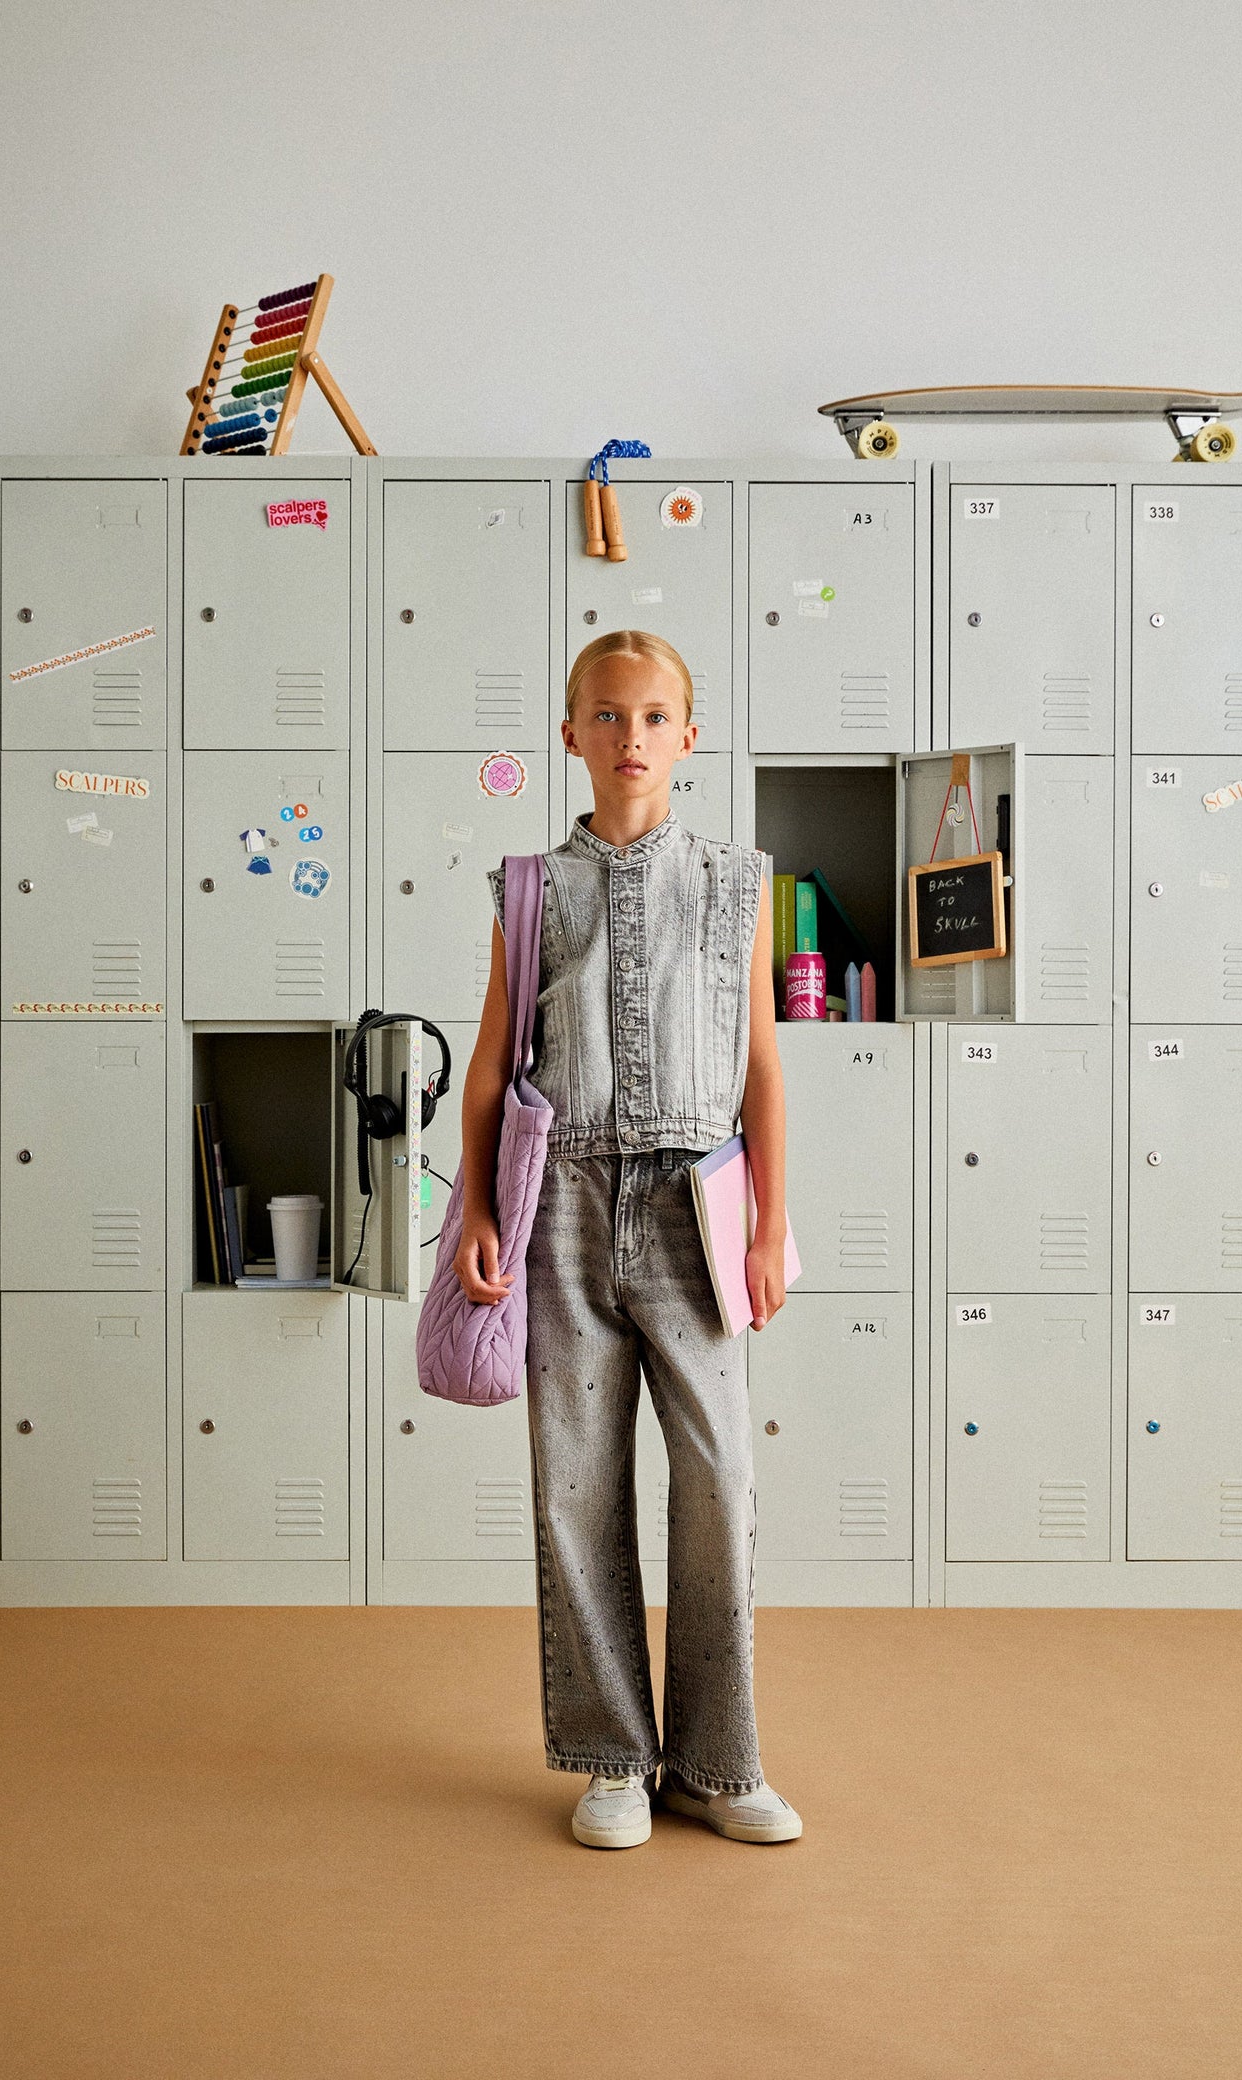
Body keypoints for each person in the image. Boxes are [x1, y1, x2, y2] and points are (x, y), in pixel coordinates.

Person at [454, 627, 802, 1850]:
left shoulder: (735, 883)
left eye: (653, 717)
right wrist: (479, 1212)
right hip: (561, 1207)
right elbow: (490, 1068)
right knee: (575, 1484)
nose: (629, 738)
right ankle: (611, 1757)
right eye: (605, 716)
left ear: (687, 736)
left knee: (717, 1480)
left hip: (692, 1208)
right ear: (569, 735)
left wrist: (768, 1221)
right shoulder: (530, 888)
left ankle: (716, 1761)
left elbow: (760, 1064)